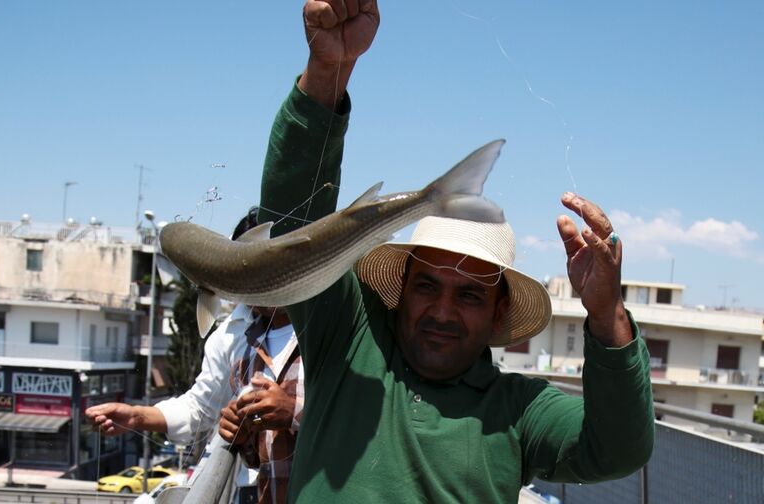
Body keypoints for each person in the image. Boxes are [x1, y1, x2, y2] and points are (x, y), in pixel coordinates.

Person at [243, 1, 654, 502]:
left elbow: (619, 449)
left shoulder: (520, 410)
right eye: (426, 285)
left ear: (500, 310)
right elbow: (292, 233)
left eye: (470, 296)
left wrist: (608, 315)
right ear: (400, 289)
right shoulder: (348, 338)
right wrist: (329, 71)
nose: (441, 311)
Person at [86, 207, 304, 504]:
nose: (248, 279)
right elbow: (202, 407)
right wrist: (137, 416)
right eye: (240, 267)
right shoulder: (234, 334)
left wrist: (292, 410)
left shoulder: (324, 330)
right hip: (256, 490)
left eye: (259, 266)